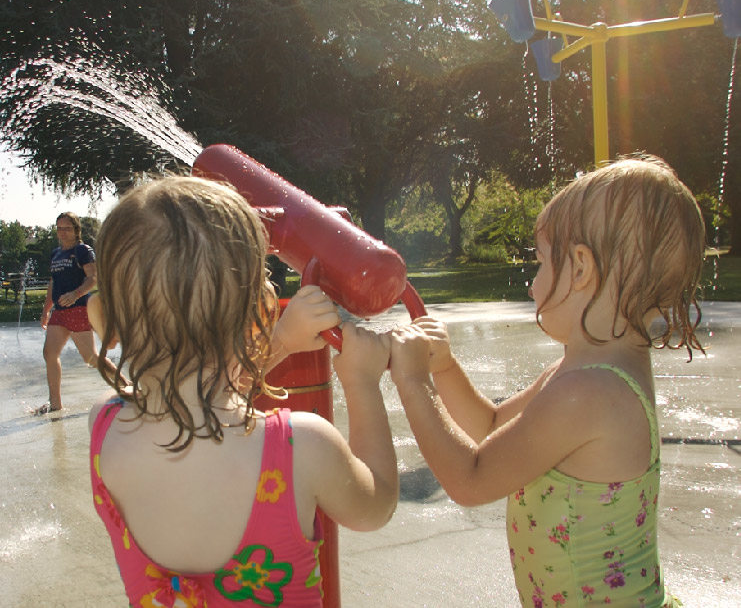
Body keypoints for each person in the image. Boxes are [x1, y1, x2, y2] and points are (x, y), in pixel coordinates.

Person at [388, 155, 703, 607]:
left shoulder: (587, 393)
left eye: (540, 265)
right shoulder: (585, 375)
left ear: (580, 268)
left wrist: (412, 381)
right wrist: (443, 368)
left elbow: (471, 480)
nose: (533, 287)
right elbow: (493, 427)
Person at [87, 176, 399, 606]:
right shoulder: (302, 447)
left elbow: (195, 397)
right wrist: (362, 383)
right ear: (259, 312)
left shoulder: (103, 428)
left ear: (105, 321)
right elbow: (376, 505)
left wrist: (285, 342)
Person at [37, 212, 106, 413]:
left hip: (78, 309)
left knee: (91, 358)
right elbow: (53, 283)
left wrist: (76, 294)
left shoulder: (83, 251)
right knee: (49, 353)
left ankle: (125, 384)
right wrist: (46, 310)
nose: (62, 233)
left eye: (67, 228)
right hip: (59, 312)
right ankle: (55, 404)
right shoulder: (55, 254)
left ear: (76, 230)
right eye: (59, 228)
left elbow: (92, 278)